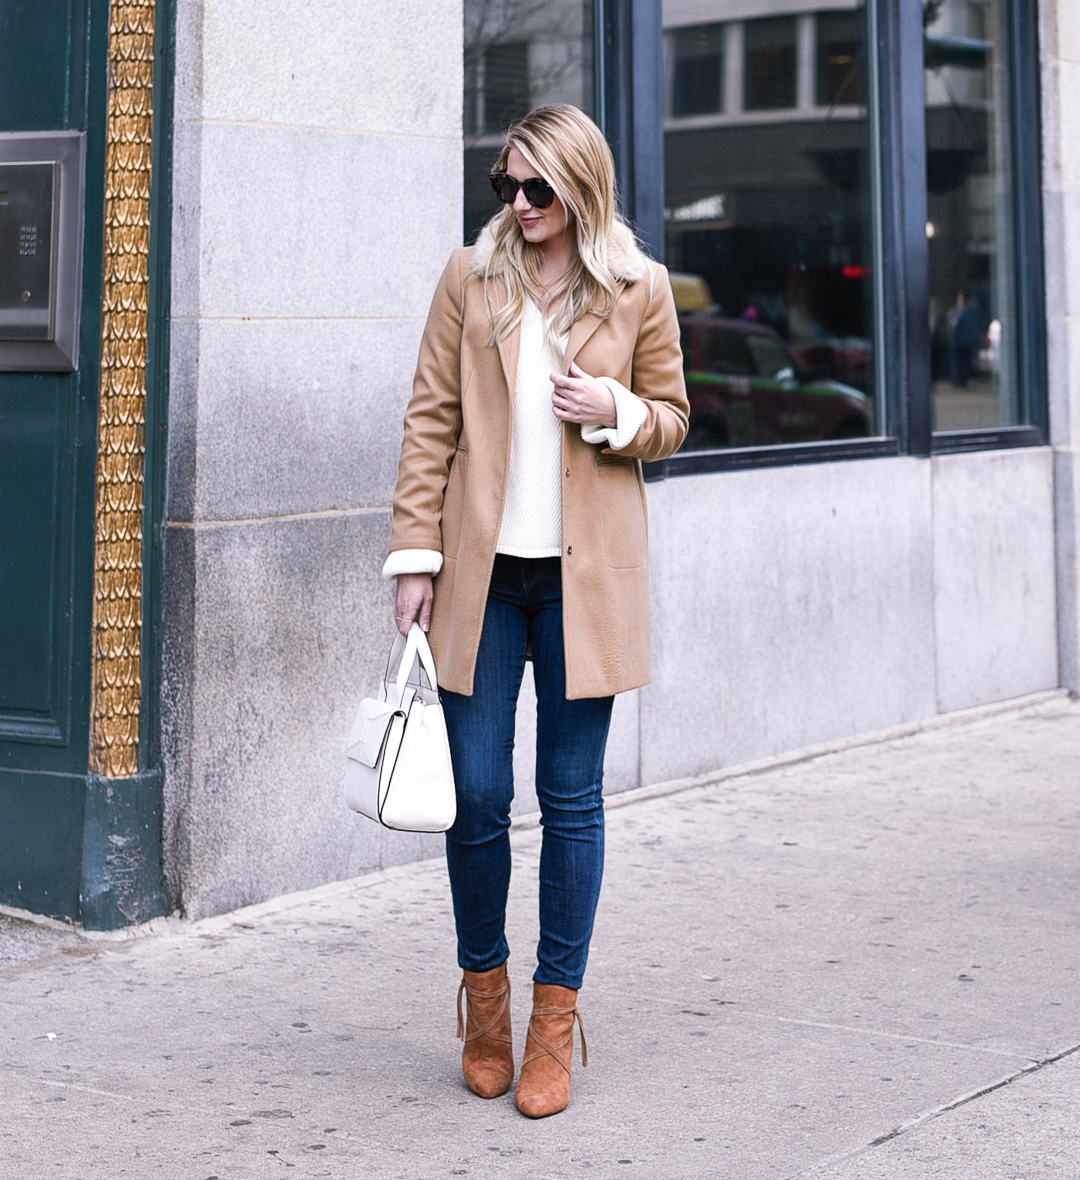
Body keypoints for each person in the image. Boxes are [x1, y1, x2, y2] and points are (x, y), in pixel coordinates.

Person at [382, 104, 688, 1118]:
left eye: (537, 191)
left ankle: (554, 1021)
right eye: (506, 187)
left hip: (581, 582)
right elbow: (430, 415)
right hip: (479, 575)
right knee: (474, 796)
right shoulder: (471, 277)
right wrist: (412, 555)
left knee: (570, 798)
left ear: (580, 187)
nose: (518, 206)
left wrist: (620, 413)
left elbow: (676, 417)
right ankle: (484, 998)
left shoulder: (639, 287)